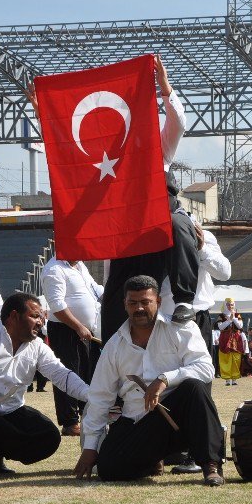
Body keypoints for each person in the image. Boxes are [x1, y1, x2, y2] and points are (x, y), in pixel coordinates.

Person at [74, 275, 224, 486]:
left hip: (178, 417)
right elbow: (100, 396)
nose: (139, 309)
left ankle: (211, 466)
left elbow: (205, 368)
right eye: (133, 303)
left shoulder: (181, 328)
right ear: (124, 304)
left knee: (195, 388)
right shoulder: (114, 345)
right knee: (109, 468)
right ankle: (152, 459)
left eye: (146, 302)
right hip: (138, 420)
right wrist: (90, 448)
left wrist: (164, 379)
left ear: (158, 302)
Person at [100, 55, 200, 338]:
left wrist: (165, 88)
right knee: (115, 301)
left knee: (181, 226)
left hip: (162, 222)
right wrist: (42, 111)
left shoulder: (161, 146)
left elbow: (178, 122)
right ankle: (110, 355)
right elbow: (71, 156)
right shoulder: (108, 160)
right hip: (129, 233)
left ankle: (184, 300)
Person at [0, 293, 91, 478]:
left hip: (11, 410)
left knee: (49, 437)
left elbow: (61, 375)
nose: (41, 322)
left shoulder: (38, 346)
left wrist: (92, 396)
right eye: (35, 316)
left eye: (42, 317)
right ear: (14, 316)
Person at [42, 255, 103, 436]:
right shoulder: (54, 269)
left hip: (87, 331)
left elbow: (95, 289)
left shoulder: (80, 266)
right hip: (66, 330)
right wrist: (78, 326)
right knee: (67, 373)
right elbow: (57, 305)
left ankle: (86, 413)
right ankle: (69, 422)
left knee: (86, 371)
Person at [159, 219, 232, 358]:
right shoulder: (152, 236)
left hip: (196, 315)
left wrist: (202, 249)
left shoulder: (201, 235)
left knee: (199, 373)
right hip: (162, 320)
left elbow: (224, 273)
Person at [217, 298, 244, 386]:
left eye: (231, 304)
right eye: (228, 304)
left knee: (236, 358)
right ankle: (227, 379)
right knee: (225, 358)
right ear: (225, 305)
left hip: (236, 339)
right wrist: (229, 320)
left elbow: (240, 326)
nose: (230, 306)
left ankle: (234, 378)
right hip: (225, 339)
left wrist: (233, 318)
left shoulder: (237, 314)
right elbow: (220, 327)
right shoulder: (221, 316)